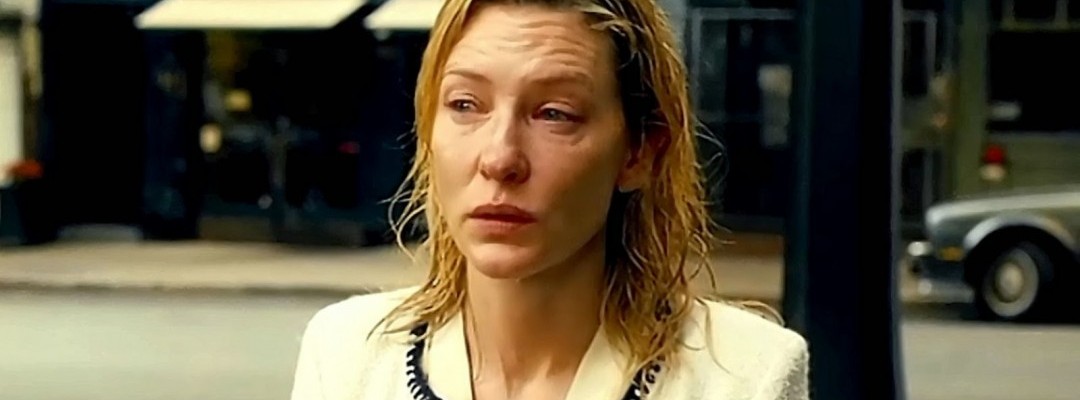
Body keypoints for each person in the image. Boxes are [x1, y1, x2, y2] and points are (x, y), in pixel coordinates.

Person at [290, 0, 809, 399]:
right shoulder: (348, 355)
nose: (500, 158)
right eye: (465, 105)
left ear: (640, 152)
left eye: (555, 113)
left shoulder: (743, 375)